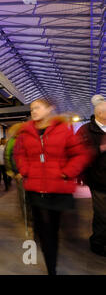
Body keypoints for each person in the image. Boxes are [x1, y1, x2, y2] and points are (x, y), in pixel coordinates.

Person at [14, 98, 91, 275]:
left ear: (50, 109)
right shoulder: (25, 132)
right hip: (35, 188)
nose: (33, 111)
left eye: (38, 108)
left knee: (54, 229)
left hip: (58, 188)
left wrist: (66, 172)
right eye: (32, 109)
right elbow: (19, 154)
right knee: (44, 230)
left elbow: (79, 154)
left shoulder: (63, 130)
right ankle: (51, 267)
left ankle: (52, 262)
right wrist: (26, 170)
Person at [76, 100, 106, 257]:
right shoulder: (85, 130)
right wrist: (100, 148)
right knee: (102, 215)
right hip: (99, 180)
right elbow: (78, 153)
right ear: (100, 113)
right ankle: (98, 244)